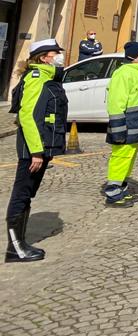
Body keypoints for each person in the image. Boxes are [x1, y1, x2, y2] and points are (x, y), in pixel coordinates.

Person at [5, 39, 68, 263]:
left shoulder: (47, 77)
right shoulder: (36, 78)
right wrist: (36, 152)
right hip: (32, 149)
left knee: (27, 193)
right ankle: (15, 248)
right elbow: (28, 116)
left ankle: (19, 243)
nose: (59, 56)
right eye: (55, 53)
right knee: (21, 194)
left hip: (40, 146)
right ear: (43, 57)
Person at [102, 41, 138, 207]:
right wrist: (118, 130)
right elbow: (115, 104)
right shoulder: (123, 74)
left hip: (136, 124)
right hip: (126, 125)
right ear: (133, 56)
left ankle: (121, 187)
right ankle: (112, 193)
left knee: (128, 157)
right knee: (121, 157)